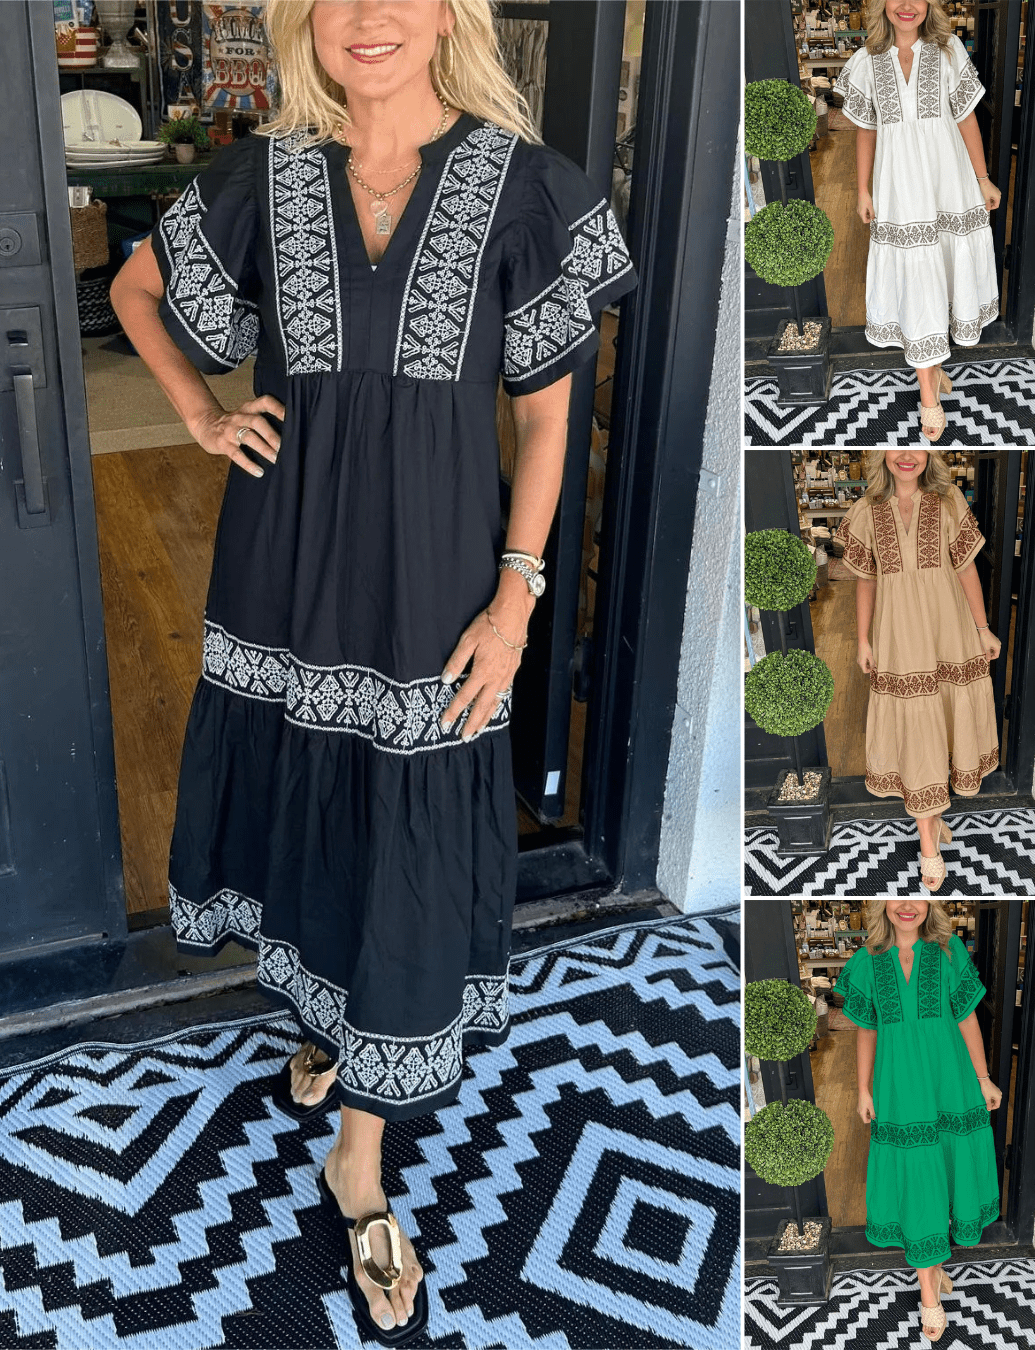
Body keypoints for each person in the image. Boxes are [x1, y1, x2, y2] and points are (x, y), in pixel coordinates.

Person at [109, 2, 637, 1344]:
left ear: (451, 13)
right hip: (283, 570)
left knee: (402, 825)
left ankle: (362, 1154)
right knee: (304, 795)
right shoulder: (266, 172)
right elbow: (134, 290)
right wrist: (200, 413)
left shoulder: (526, 188)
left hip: (435, 584)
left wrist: (515, 600)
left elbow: (546, 417)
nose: (368, 17)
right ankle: (328, 1020)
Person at [833, 899, 1002, 1343]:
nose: (907, 906)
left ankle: (934, 1270)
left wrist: (983, 1078)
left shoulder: (949, 951)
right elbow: (867, 1030)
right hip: (900, 1087)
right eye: (897, 896)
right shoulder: (866, 961)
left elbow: (966, 1018)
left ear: (931, 904)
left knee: (943, 1170)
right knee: (918, 1177)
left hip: (950, 1081)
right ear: (880, 903)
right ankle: (929, 1292)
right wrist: (864, 1089)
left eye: (917, 897)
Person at [833, 0, 1001, 442]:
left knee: (939, 271)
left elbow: (966, 118)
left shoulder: (949, 50)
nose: (907, 6)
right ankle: (929, 393)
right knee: (918, 277)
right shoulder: (866, 61)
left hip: (948, 181)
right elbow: (866, 129)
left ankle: (933, 370)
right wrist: (864, 190)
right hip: (899, 186)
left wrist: (983, 178)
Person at [833, 450, 1000, 892]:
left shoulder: (949, 500)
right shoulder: (865, 511)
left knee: (941, 719)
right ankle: (929, 841)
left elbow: (966, 568)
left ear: (930, 454)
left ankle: (933, 820)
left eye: (916, 448)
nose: (907, 457)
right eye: (897, 447)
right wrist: (864, 640)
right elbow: (866, 580)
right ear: (881, 454)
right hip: (899, 634)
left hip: (949, 628)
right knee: (917, 727)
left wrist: (982, 628)